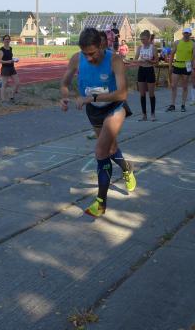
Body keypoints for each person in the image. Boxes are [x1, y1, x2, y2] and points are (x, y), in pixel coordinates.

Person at [60, 28, 135, 217]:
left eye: (92, 53)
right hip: (94, 111)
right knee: (111, 149)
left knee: (101, 151)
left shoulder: (114, 60)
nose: (89, 58)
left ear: (101, 45)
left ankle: (100, 203)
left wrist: (92, 98)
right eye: (85, 54)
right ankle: (127, 168)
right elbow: (64, 83)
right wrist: (64, 97)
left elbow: (122, 93)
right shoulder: (77, 59)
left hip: (115, 107)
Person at [129, 30, 157, 121]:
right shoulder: (140, 48)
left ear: (148, 38)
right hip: (141, 70)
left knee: (151, 94)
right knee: (142, 94)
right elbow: (135, 59)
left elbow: (156, 61)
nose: (142, 41)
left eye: (144, 39)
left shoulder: (153, 48)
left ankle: (152, 114)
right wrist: (130, 62)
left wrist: (150, 61)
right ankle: (144, 115)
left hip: (149, 70)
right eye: (141, 39)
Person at [167, 28, 194, 112]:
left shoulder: (193, 44)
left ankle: (183, 105)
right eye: (185, 33)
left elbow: (194, 56)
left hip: (186, 66)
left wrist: (193, 67)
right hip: (177, 65)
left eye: (187, 33)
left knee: (185, 86)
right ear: (182, 34)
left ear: (190, 34)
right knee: (173, 85)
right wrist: (170, 66)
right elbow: (172, 54)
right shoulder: (177, 42)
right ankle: (172, 104)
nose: (186, 34)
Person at [0, 35, 20, 103]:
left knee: (17, 83)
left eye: (8, 39)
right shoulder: (2, 50)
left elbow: (10, 57)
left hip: (12, 67)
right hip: (5, 68)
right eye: (5, 39)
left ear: (10, 40)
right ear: (3, 40)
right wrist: (8, 61)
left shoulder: (10, 48)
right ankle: (3, 100)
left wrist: (14, 60)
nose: (7, 40)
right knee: (4, 84)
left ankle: (11, 96)